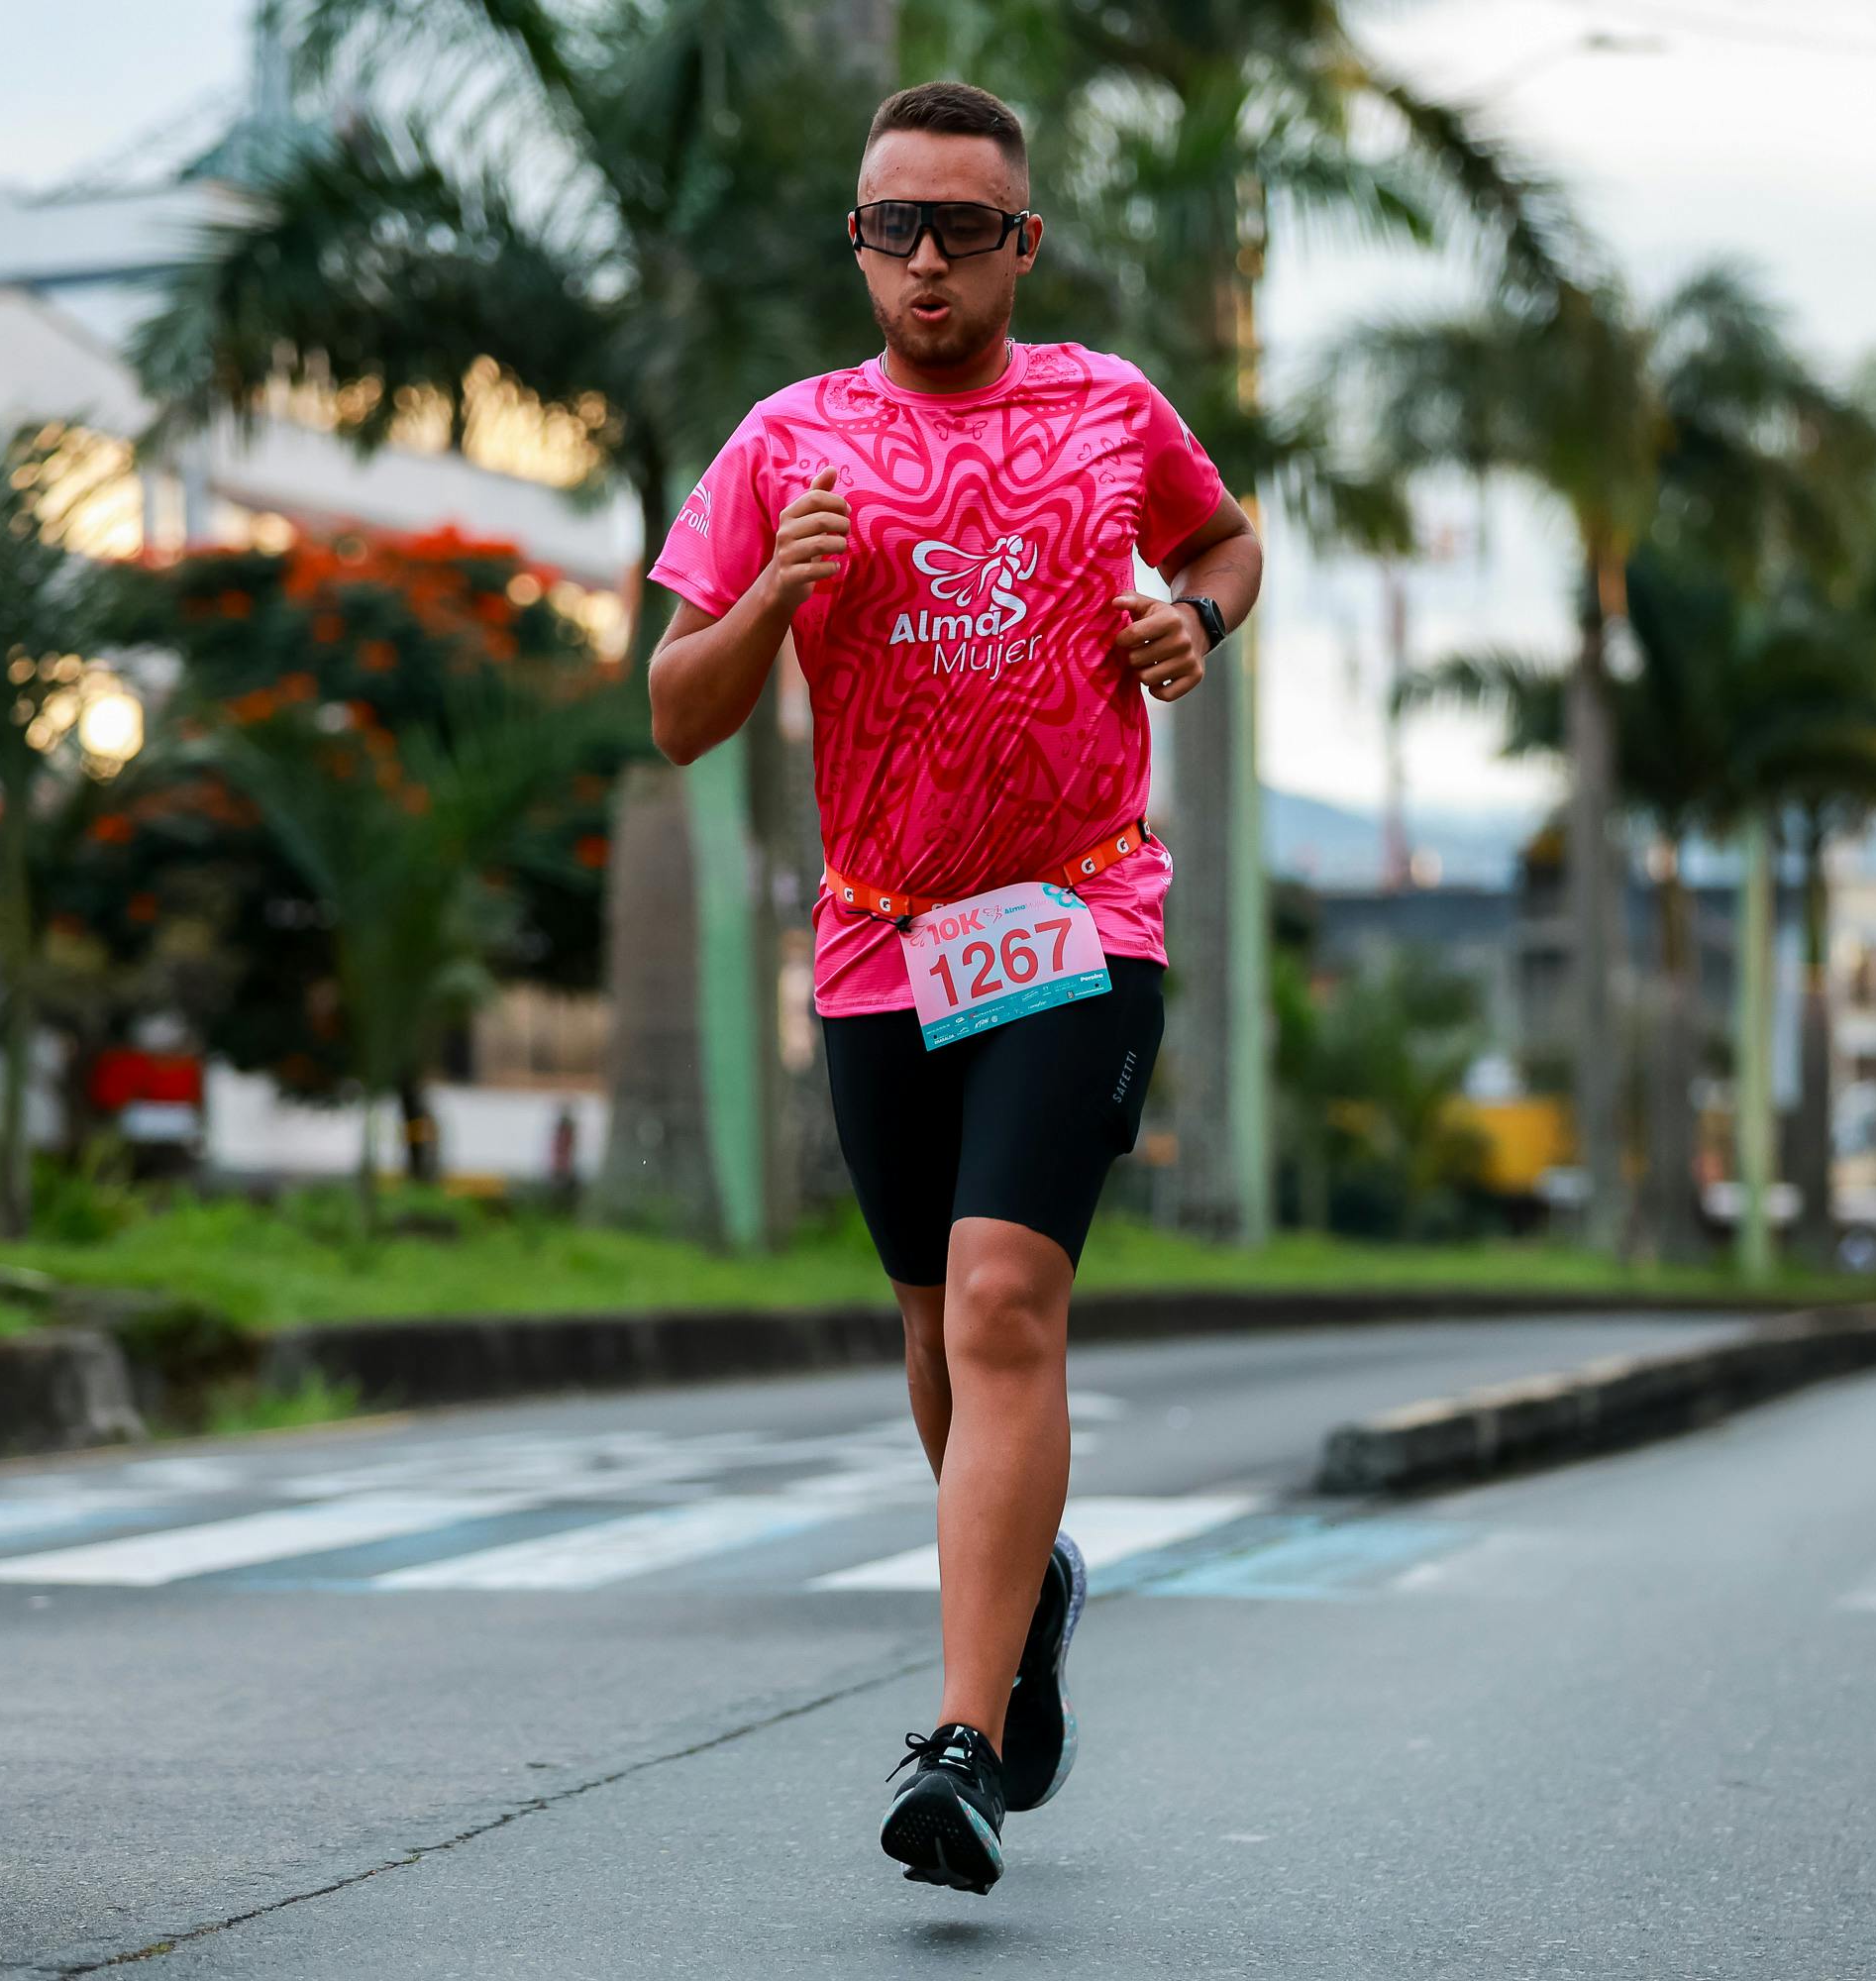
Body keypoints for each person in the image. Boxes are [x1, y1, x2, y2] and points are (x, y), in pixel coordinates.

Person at [643, 81, 1261, 1896]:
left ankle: (962, 1746)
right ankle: (1032, 1583)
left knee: (1002, 1302)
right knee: (930, 1328)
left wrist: (1193, 624)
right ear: (859, 240)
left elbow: (1223, 538)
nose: (925, 259)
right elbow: (679, 714)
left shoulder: (1108, 405)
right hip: (878, 935)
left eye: (962, 228)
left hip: (1077, 919)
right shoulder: (787, 439)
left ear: (1021, 244)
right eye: (892, 226)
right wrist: (768, 599)